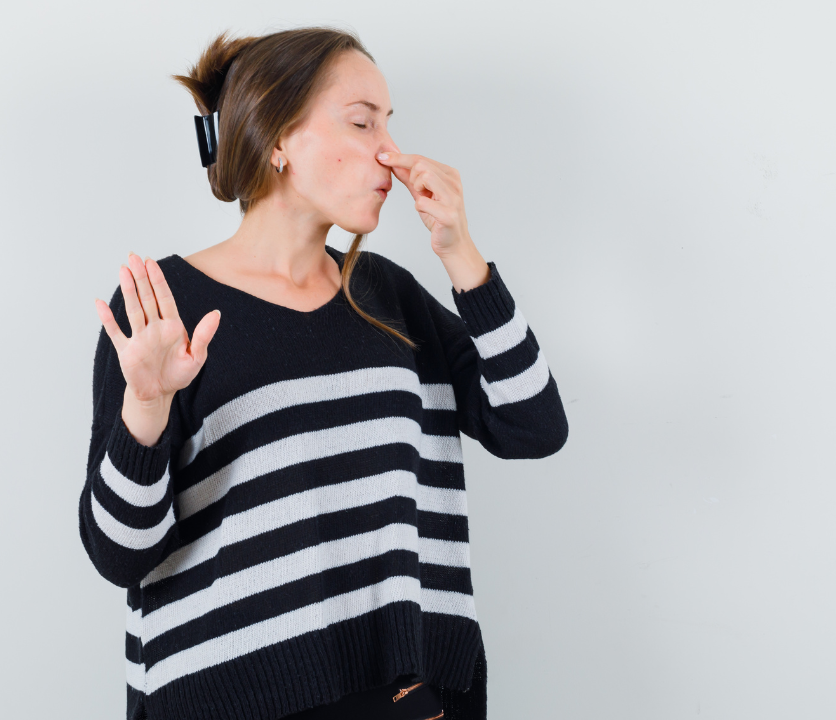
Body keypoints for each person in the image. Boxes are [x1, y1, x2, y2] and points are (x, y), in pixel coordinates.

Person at [78, 26, 568, 720]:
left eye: (389, 125)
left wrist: (463, 257)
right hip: (232, 700)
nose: (389, 152)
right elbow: (120, 556)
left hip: (401, 694)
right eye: (363, 122)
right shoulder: (164, 309)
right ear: (277, 138)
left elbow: (533, 424)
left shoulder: (387, 295)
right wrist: (147, 410)